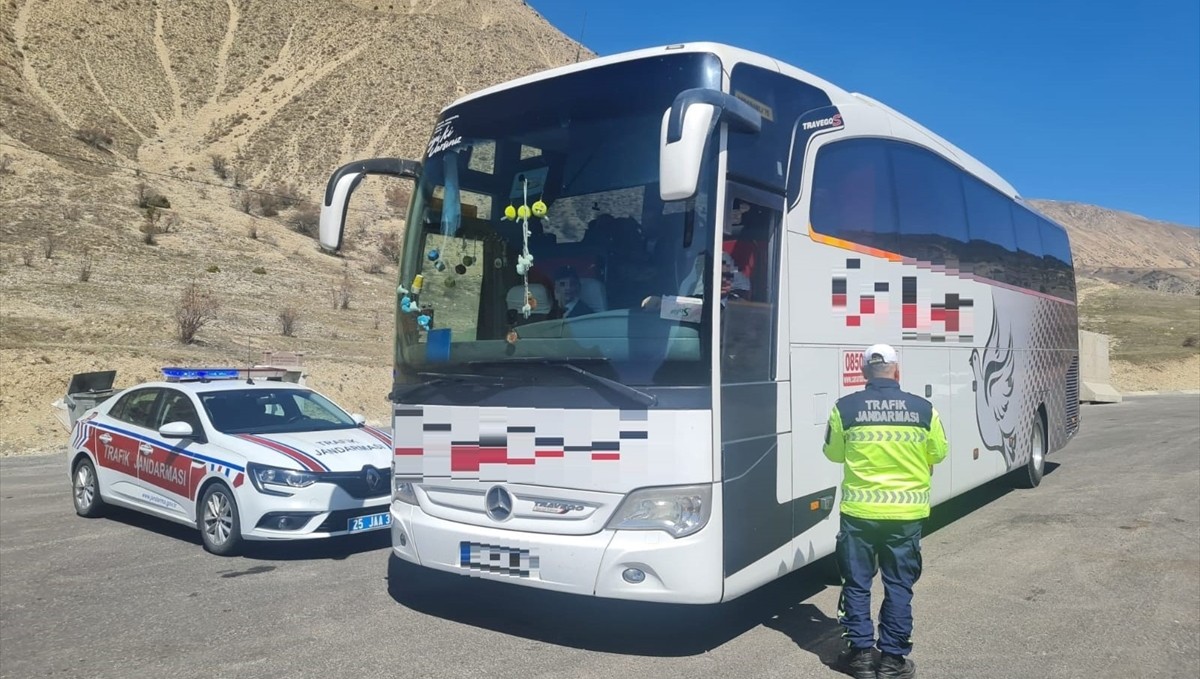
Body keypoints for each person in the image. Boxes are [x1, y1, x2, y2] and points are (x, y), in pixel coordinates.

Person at [823, 344, 948, 679]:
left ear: (864, 371)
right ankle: (892, 660)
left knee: (857, 583)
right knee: (898, 586)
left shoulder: (845, 408)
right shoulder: (924, 410)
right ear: (896, 370)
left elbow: (833, 454)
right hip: (906, 517)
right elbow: (939, 451)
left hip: (860, 514)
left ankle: (861, 657)